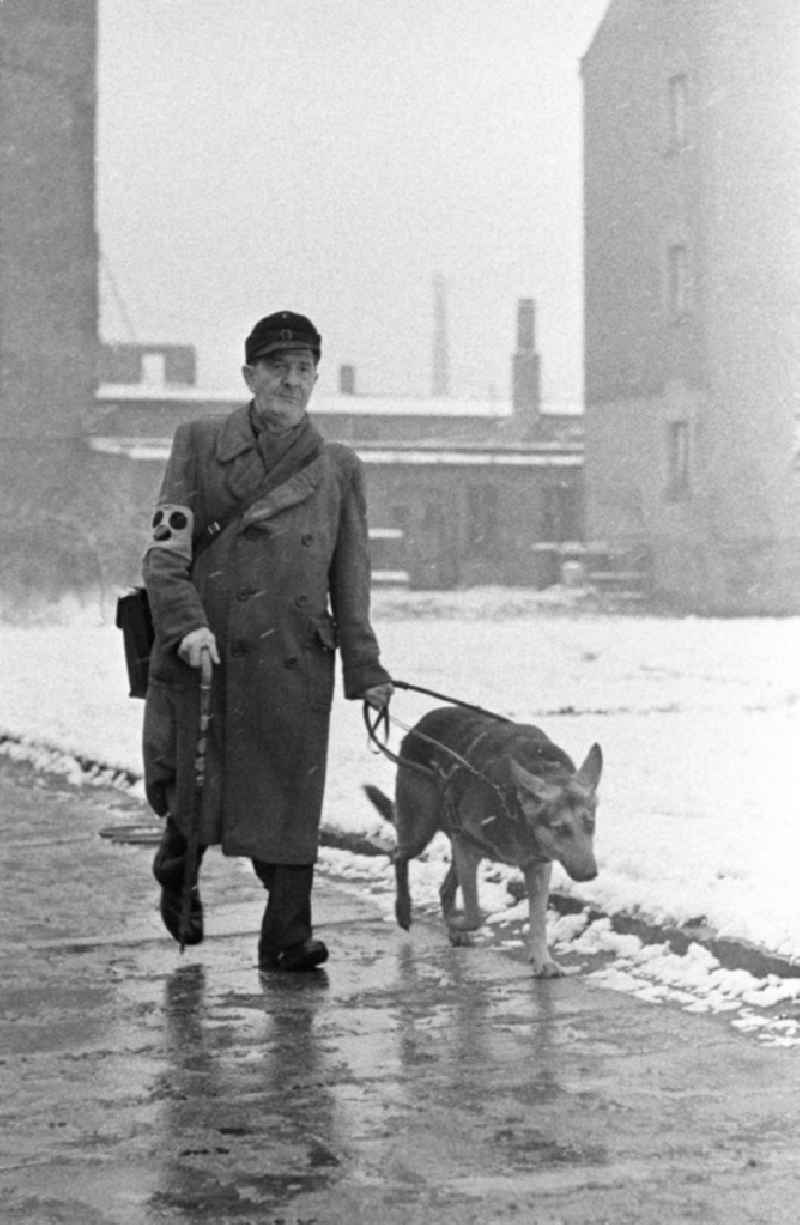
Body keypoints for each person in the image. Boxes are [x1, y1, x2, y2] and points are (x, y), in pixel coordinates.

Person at [142, 310, 393, 972]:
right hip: (211, 652)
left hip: (296, 655)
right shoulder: (198, 443)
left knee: (290, 793)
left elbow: (353, 577)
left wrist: (366, 668)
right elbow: (164, 555)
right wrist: (186, 623)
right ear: (250, 374)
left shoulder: (338, 468)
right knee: (202, 789)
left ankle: (286, 935)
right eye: (278, 367)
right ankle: (177, 868)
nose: (292, 380)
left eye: (304, 368)